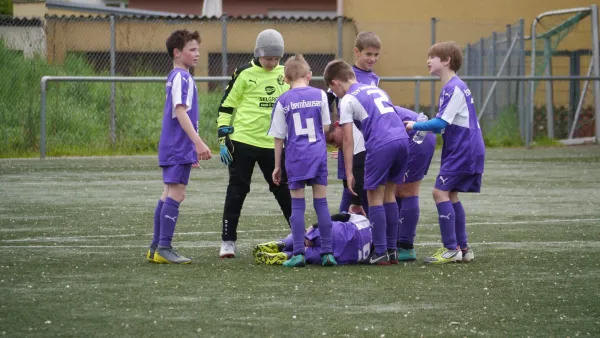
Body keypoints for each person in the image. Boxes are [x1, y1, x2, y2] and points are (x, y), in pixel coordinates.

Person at [405, 41, 485, 264]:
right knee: (450, 194)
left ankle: (451, 248)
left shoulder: (453, 87)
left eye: (432, 57)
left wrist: (413, 126)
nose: (427, 61)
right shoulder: (455, 86)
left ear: (447, 60)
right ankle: (463, 248)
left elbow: (441, 123)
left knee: (439, 193)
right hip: (464, 147)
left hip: (463, 149)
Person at [325, 60, 410, 265]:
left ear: (336, 84)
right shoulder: (377, 90)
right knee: (389, 194)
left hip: (382, 144)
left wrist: (349, 172)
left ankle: (380, 250)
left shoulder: (347, 100)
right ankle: (391, 250)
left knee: (374, 196)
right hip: (402, 141)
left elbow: (347, 139)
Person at [216, 29, 292, 258]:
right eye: (268, 58)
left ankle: (301, 236)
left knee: (283, 190)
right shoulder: (243, 73)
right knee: (237, 191)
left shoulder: (286, 73)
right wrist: (223, 138)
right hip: (243, 142)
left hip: (274, 145)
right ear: (258, 53)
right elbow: (226, 106)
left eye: (277, 59)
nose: (272, 63)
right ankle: (228, 241)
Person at [147, 29, 212, 264]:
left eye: (198, 49)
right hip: (178, 147)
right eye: (192, 49)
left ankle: (156, 246)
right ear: (177, 53)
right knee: (177, 193)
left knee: (167, 194)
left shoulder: (177, 76)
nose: (197, 54)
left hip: (174, 146)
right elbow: (180, 111)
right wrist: (198, 143)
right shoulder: (182, 77)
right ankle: (164, 247)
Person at [268, 54, 336, 267]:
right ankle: (327, 253)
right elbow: (326, 128)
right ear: (309, 75)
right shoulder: (321, 95)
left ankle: (298, 253)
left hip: (296, 156)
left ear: (286, 79)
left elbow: (279, 137)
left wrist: (277, 166)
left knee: (297, 206)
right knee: (321, 203)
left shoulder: (283, 100)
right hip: (317, 153)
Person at [329, 32, 382, 214]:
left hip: (370, 141)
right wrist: (333, 134)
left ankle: (362, 233)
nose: (372, 59)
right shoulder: (345, 75)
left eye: (376, 55)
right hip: (351, 140)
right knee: (351, 186)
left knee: (365, 187)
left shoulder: (375, 78)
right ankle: (339, 231)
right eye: (368, 54)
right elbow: (327, 103)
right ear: (357, 52)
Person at [393, 106, 436, 262]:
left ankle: (406, 246)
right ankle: (396, 242)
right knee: (395, 190)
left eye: (333, 140)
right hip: (413, 135)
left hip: (417, 136)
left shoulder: (353, 111)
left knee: (407, 191)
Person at [253, 213, 372, 266]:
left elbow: (341, 216)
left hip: (336, 232)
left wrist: (314, 226)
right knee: (306, 252)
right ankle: (285, 256)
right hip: (343, 256)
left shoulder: (365, 221)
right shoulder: (376, 251)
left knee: (304, 239)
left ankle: (281, 243)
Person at [325, 121, 368, 216]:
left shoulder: (355, 131)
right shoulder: (342, 148)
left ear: (338, 125)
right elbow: (346, 185)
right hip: (354, 190)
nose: (335, 146)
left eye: (332, 140)